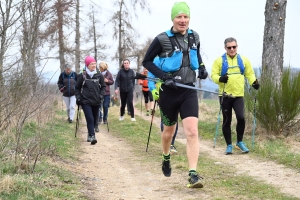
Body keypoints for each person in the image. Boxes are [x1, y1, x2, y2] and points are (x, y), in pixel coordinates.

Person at [142, 2, 208, 188]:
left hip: (188, 90)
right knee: (168, 133)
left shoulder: (195, 36)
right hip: (168, 92)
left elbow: (197, 56)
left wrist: (202, 69)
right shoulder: (162, 39)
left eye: (185, 17)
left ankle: (193, 174)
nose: (183, 20)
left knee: (192, 131)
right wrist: (163, 77)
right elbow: (147, 61)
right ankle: (165, 157)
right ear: (173, 18)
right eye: (179, 17)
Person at [211, 37, 259, 155]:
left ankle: (239, 142)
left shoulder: (243, 60)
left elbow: (249, 74)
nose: (232, 49)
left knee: (241, 117)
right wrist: (220, 79)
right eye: (229, 47)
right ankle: (229, 145)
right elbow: (213, 76)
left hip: (238, 95)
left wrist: (254, 82)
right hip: (225, 95)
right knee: (227, 120)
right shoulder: (219, 61)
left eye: (234, 47)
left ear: (237, 46)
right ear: (225, 48)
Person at [75, 56, 106, 145]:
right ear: (87, 65)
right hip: (86, 101)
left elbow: (103, 87)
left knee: (95, 119)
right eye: (91, 64)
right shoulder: (82, 75)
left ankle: (90, 134)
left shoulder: (99, 75)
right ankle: (92, 136)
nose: (93, 65)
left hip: (96, 100)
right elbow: (77, 88)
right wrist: (78, 97)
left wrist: (101, 95)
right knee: (90, 118)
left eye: (94, 63)